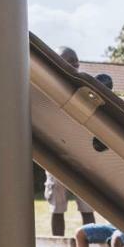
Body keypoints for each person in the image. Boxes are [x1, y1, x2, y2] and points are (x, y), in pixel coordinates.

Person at [44, 48, 97, 236]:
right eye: (70, 60)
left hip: (82, 154)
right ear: (58, 62)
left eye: (77, 59)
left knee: (87, 205)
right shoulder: (47, 85)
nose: (75, 63)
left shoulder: (85, 86)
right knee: (57, 207)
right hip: (56, 154)